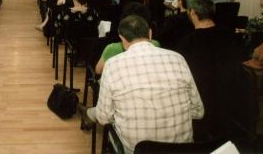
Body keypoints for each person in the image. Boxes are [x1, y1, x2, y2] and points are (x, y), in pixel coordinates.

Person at [78, 15, 204, 153]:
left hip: (136, 150)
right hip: (184, 149)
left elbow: (103, 117)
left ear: (122, 39)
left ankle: (88, 113)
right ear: (150, 33)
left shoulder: (113, 65)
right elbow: (198, 111)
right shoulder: (178, 58)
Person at [176, 0, 243, 140]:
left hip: (202, 105)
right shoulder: (230, 36)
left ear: (192, 12)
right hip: (231, 100)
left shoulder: (187, 43)